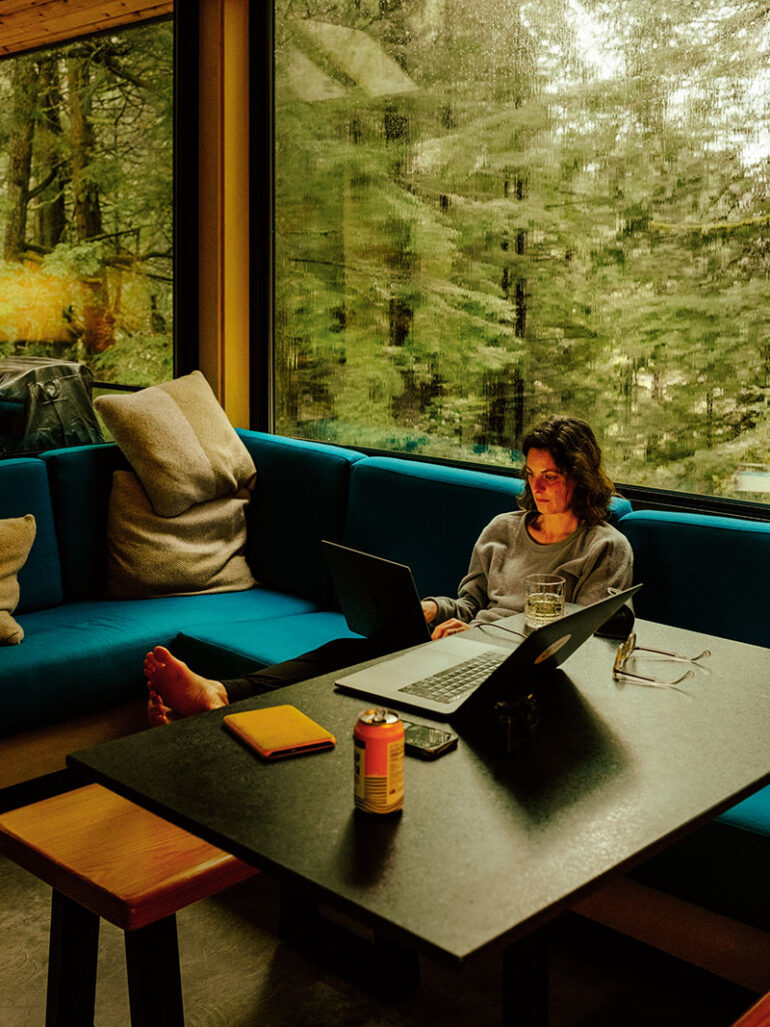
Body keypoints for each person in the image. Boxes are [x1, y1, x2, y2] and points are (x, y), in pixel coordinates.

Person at [145, 414, 632, 724]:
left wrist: (484, 636)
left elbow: (575, 638)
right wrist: (430, 609)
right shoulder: (503, 529)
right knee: (349, 652)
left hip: (517, 669)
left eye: (552, 476)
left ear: (580, 477)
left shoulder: (603, 548)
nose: (539, 486)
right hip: (459, 647)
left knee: (372, 670)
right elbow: (469, 603)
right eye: (531, 474)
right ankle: (220, 693)